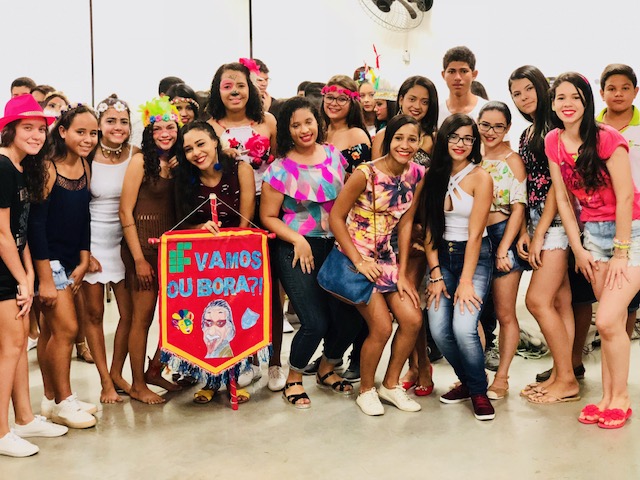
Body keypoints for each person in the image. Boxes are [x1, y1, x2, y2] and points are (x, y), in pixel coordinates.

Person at [546, 72, 639, 428]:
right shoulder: (553, 141)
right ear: (553, 104)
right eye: (560, 97)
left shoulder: (608, 138)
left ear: (587, 101)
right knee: (612, 324)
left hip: (630, 233)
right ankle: (608, 397)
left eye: (575, 97)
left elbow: (626, 195)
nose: (567, 104)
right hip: (592, 237)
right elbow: (563, 199)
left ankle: (622, 397)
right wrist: (579, 248)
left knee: (606, 319)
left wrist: (620, 252)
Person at [261, 96, 361, 408]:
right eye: (296, 125)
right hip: (297, 248)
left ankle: (327, 368)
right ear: (287, 130)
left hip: (337, 245)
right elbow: (268, 216)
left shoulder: (334, 155)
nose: (304, 130)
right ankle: (294, 377)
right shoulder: (278, 170)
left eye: (309, 122)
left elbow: (347, 201)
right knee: (314, 321)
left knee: (350, 318)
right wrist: (297, 239)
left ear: (318, 122)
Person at [330, 114, 425, 416]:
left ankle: (391, 384)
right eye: (399, 138)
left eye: (412, 139)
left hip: (387, 258)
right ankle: (367, 390)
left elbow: (406, 222)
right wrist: (358, 261)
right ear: (387, 140)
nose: (405, 145)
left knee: (412, 319)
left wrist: (404, 273)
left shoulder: (417, 174)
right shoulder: (365, 173)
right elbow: (335, 218)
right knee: (382, 327)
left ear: (420, 142)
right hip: (354, 258)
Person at [207, 60, 283, 388]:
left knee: (272, 288)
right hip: (230, 213)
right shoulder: (209, 127)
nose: (235, 91)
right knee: (239, 291)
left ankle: (276, 362)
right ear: (218, 90)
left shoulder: (268, 121)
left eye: (240, 85)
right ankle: (247, 359)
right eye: (227, 86)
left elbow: (280, 165)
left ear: (250, 88)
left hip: (269, 210)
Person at [0, 95, 68, 457]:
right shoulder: (2, 166)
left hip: (14, 268)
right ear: (9, 130)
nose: (36, 135)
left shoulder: (21, 167)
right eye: (27, 128)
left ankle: (25, 419)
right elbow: (1, 234)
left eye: (41, 129)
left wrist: (27, 274)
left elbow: (20, 231)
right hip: (3, 271)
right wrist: (22, 279)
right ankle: (1, 431)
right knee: (10, 348)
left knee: (17, 345)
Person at [509, 66, 579, 404]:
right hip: (537, 219)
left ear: (541, 88)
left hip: (556, 221)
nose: (523, 97)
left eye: (528, 89)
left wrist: (538, 233)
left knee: (536, 300)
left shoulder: (554, 128)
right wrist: (526, 227)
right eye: (516, 93)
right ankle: (562, 371)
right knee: (560, 300)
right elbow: (526, 186)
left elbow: (557, 186)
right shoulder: (529, 132)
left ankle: (567, 379)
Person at [174, 120, 257, 401]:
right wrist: (199, 228)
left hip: (239, 258)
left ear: (214, 142)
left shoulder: (240, 169)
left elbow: (247, 220)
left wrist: (233, 248)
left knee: (234, 318)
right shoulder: (184, 179)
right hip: (203, 263)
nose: (196, 153)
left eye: (201, 144)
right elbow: (181, 224)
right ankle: (210, 380)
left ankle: (237, 375)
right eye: (188, 149)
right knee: (208, 320)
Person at [420, 114, 495, 420]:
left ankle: (478, 391)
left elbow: (475, 234)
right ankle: (469, 381)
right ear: (444, 139)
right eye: (454, 136)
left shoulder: (481, 177)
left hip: (474, 257)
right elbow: (429, 229)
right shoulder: (432, 176)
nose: (460, 143)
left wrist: (465, 281)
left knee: (464, 329)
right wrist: (435, 273)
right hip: (442, 257)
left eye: (467, 138)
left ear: (474, 143)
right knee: (439, 330)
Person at [29, 104, 99, 429]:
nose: (88, 139)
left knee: (51, 331)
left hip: (70, 259)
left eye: (93, 133)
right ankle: (64, 401)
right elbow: (36, 226)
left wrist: (84, 258)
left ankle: (50, 398)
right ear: (62, 131)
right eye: (80, 132)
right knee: (68, 329)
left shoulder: (84, 165)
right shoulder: (47, 168)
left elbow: (83, 217)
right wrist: (44, 276)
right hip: (48, 260)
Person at [119, 96, 181, 404]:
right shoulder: (140, 162)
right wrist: (139, 259)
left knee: (174, 317)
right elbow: (125, 211)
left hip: (171, 250)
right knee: (142, 319)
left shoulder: (179, 163)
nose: (165, 134)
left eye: (171, 127)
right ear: (148, 131)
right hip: (142, 248)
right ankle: (137, 384)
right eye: (158, 129)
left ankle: (155, 369)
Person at [82, 95, 138, 404]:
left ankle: (117, 373)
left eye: (124, 122)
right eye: (111, 121)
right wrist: (83, 252)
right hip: (91, 242)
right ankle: (104, 380)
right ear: (100, 124)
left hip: (124, 243)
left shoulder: (136, 154)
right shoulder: (87, 156)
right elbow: (76, 207)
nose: (118, 127)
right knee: (94, 314)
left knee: (129, 314)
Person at [477, 101, 528, 399]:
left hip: (501, 235)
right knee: (471, 313)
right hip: (474, 238)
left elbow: (518, 208)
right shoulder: (471, 156)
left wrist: (504, 248)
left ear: (507, 128)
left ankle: (502, 378)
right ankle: (475, 375)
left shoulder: (513, 160)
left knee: (504, 313)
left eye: (498, 126)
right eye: (485, 125)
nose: (491, 131)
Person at [438, 46, 488, 127]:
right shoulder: (436, 113)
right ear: (443, 75)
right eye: (451, 71)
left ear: (474, 74)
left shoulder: (487, 111)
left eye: (464, 71)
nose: (457, 77)